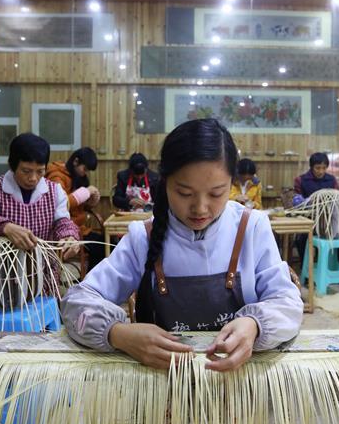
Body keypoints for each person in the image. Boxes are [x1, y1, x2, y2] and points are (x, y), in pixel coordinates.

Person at [61, 119, 303, 372]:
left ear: (231, 183)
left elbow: (288, 303)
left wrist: (255, 325)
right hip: (164, 386)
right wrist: (118, 334)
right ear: (164, 183)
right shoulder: (144, 236)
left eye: (216, 193)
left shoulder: (252, 228)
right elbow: (76, 303)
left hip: (238, 385)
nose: (200, 208)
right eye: (185, 193)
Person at [0, 132, 79, 256]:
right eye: (26, 171)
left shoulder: (54, 191)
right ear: (12, 165)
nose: (33, 178)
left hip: (43, 270)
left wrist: (69, 236)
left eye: (40, 171)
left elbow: (62, 222)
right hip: (4, 271)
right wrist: (5, 227)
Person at [48, 147, 103, 270]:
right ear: (75, 161)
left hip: (81, 229)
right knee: (104, 247)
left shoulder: (75, 176)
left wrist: (91, 203)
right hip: (68, 233)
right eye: (85, 169)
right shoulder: (57, 176)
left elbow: (78, 206)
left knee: (107, 243)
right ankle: (91, 281)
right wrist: (85, 192)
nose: (85, 173)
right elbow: (60, 204)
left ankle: (92, 278)